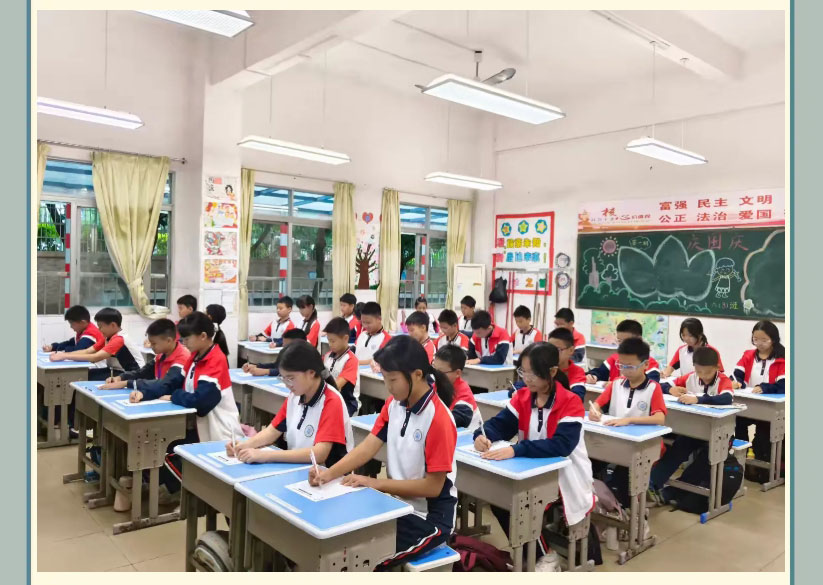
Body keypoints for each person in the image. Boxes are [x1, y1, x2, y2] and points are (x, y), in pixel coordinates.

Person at [309, 336, 457, 571]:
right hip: (396, 505)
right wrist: (328, 474)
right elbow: (368, 447)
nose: (388, 386)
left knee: (364, 560)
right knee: (343, 541)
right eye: (385, 378)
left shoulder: (438, 419)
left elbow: (432, 487)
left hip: (429, 518)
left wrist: (374, 483)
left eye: (393, 379)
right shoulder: (394, 404)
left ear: (417, 375)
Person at [473, 342, 594, 571]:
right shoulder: (523, 397)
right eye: (523, 372)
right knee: (501, 498)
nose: (526, 379)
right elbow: (500, 425)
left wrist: (517, 449)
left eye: (533, 373)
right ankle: (533, 553)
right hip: (530, 469)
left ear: (552, 372)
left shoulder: (570, 402)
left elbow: (561, 446)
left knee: (521, 503)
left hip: (566, 473)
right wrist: (482, 436)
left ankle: (546, 556)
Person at [130, 312, 243, 499]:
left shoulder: (216, 359)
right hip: (196, 424)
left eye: (187, 338)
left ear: (203, 336)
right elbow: (171, 382)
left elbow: (200, 403)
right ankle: (172, 489)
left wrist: (174, 395)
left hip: (217, 429)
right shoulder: (195, 357)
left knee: (168, 449)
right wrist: (144, 393)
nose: (183, 342)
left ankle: (180, 492)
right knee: (161, 444)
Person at [228, 341, 353, 467]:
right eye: (283, 378)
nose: (287, 384)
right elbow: (272, 431)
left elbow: (319, 454)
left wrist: (266, 455)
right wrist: (243, 445)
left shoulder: (331, 400)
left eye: (291, 378)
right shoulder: (295, 396)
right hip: (300, 467)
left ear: (311, 373)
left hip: (326, 473)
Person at [589, 338, 666, 509]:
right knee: (588, 465)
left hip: (641, 446)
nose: (625, 370)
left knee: (623, 478)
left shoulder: (653, 388)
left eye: (630, 366)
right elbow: (598, 403)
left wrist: (629, 420)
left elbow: (660, 418)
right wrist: (595, 411)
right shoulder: (616, 384)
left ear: (645, 365)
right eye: (622, 366)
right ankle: (600, 505)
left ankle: (627, 512)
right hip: (613, 441)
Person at [650, 346, 733, 500]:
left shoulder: (723, 380)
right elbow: (660, 384)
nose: (703, 376)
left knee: (706, 458)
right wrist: (670, 389)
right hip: (694, 430)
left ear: (717, 367)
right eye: (699, 371)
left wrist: (698, 399)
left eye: (708, 372)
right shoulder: (690, 377)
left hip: (719, 433)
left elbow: (727, 398)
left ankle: (673, 492)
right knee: (678, 449)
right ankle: (652, 484)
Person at [732, 320, 786, 480]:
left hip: (770, 408)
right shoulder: (748, 355)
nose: (759, 343)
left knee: (763, 438)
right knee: (738, 424)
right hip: (749, 403)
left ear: (773, 339)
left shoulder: (782, 358)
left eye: (764, 340)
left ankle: (764, 470)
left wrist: (765, 387)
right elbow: (736, 374)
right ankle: (741, 465)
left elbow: (784, 385)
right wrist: (737, 382)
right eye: (756, 339)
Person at [50, 307, 145, 380]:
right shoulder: (107, 337)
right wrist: (63, 354)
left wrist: (65, 356)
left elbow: (95, 357)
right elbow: (88, 351)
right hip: (115, 370)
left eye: (100, 326)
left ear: (113, 325)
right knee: (84, 374)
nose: (99, 330)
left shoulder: (119, 339)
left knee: (84, 377)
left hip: (133, 374)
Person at [100, 318, 190, 394]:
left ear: (169, 341)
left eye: (154, 343)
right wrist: (121, 378)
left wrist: (126, 383)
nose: (151, 346)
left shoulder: (182, 358)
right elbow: (143, 373)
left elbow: (165, 384)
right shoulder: (161, 355)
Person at [586, 319, 661, 384]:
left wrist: (616, 384)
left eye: (626, 341)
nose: (622, 345)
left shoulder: (649, 363)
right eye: (619, 341)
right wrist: (593, 376)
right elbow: (600, 372)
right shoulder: (614, 359)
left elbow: (650, 385)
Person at [433, 345, 479, 429]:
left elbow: (457, 420)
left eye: (440, 372)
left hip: (468, 435)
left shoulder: (464, 394)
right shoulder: (435, 384)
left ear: (457, 373)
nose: (434, 374)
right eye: (434, 369)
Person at [322, 317, 360, 416]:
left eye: (333, 341)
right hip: (329, 399)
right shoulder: (327, 356)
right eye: (328, 340)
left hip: (347, 403)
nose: (330, 344)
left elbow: (336, 386)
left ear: (345, 338)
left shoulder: (351, 360)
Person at [242, 329, 307, 377]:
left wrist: (266, 371)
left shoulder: (305, 356)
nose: (283, 347)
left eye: (286, 345)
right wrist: (256, 366)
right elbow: (275, 365)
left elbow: (291, 372)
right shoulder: (284, 351)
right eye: (283, 344)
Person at [546, 328, 587, 401]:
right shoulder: (543, 368)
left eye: (557, 350)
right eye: (549, 349)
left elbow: (577, 399)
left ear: (571, 350)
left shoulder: (577, 372)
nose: (552, 353)